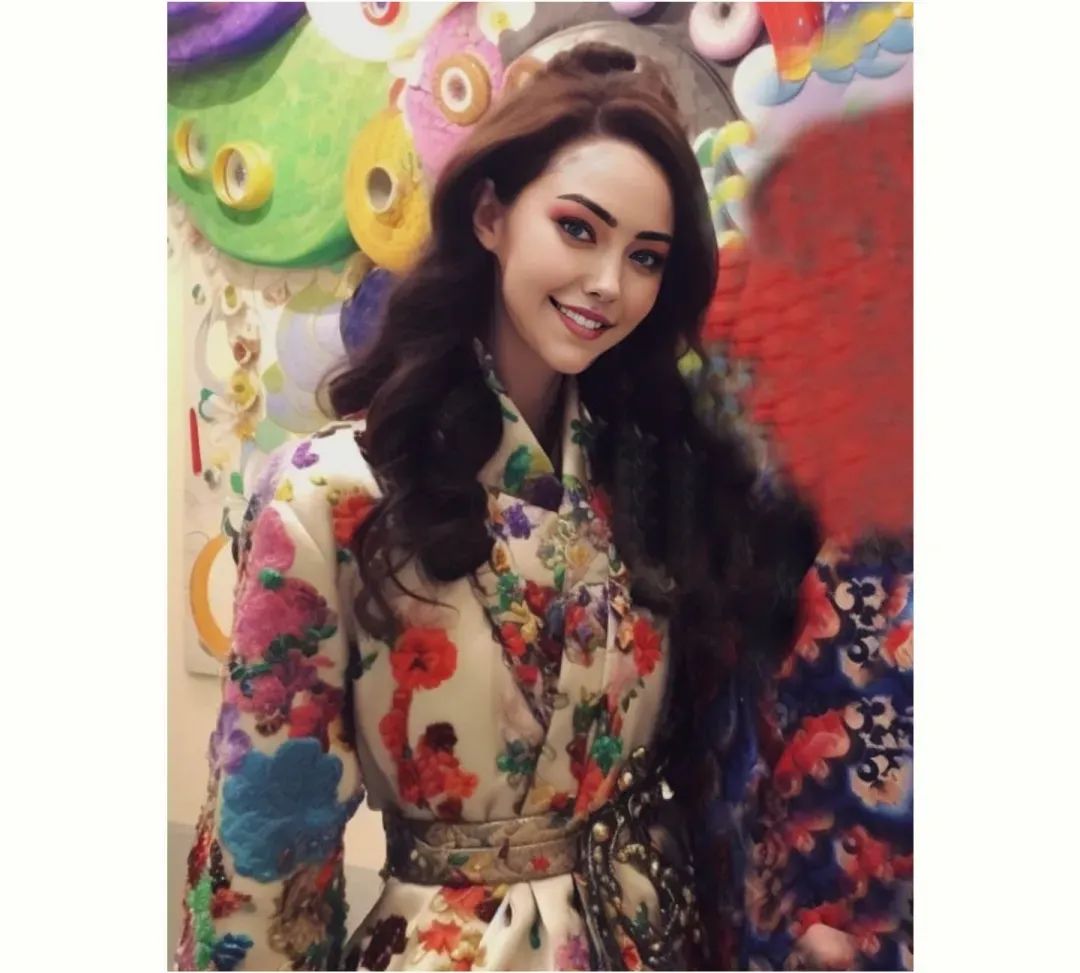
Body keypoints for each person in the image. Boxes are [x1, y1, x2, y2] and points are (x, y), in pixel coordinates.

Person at [175, 42, 819, 972]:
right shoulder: (332, 495)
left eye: (645, 256)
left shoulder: (647, 479)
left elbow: (715, 765)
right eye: (578, 229)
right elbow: (269, 843)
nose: (609, 283)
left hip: (653, 941)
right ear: (489, 215)